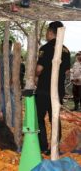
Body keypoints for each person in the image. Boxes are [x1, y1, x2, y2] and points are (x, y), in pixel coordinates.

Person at [35, 21, 71, 154]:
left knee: (39, 118)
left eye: (47, 31)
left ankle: (42, 146)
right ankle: (55, 147)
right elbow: (67, 72)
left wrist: (34, 74)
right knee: (54, 117)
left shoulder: (45, 48)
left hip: (44, 89)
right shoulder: (66, 50)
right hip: (59, 90)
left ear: (50, 32)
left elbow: (39, 69)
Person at [0, 40, 15, 127]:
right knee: (3, 105)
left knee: (11, 104)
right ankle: (6, 122)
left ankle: (12, 124)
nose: (2, 46)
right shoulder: (1, 56)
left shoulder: (12, 56)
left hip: (9, 85)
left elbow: (14, 69)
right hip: (1, 84)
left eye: (4, 45)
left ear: (9, 46)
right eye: (2, 45)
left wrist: (11, 80)